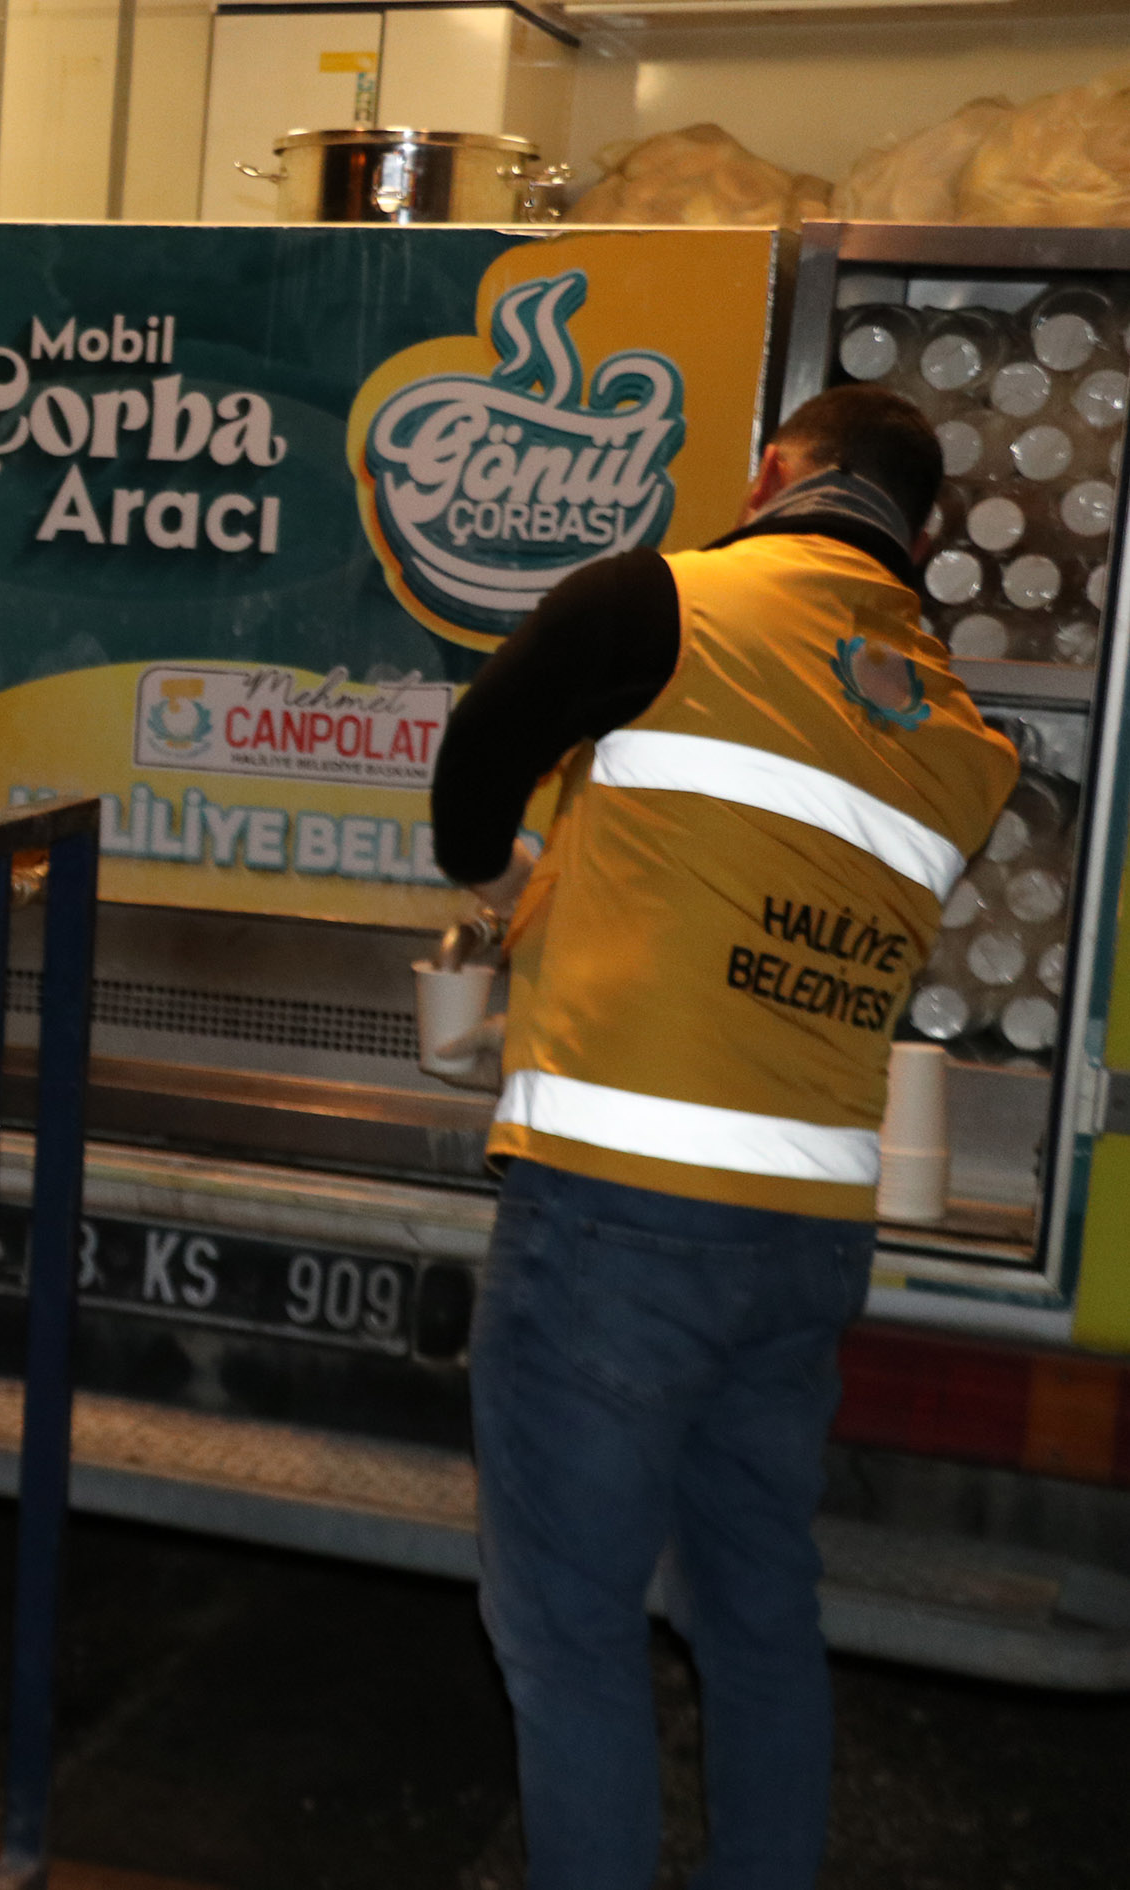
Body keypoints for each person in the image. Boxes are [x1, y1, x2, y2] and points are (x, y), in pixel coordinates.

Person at [429, 381, 1020, 1890]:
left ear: (773, 475)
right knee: (759, 1617)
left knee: (569, 1634)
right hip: (810, 1234)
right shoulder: (963, 742)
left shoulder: (662, 602)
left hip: (616, 1223)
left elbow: (469, 780)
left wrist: (507, 892)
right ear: (927, 533)